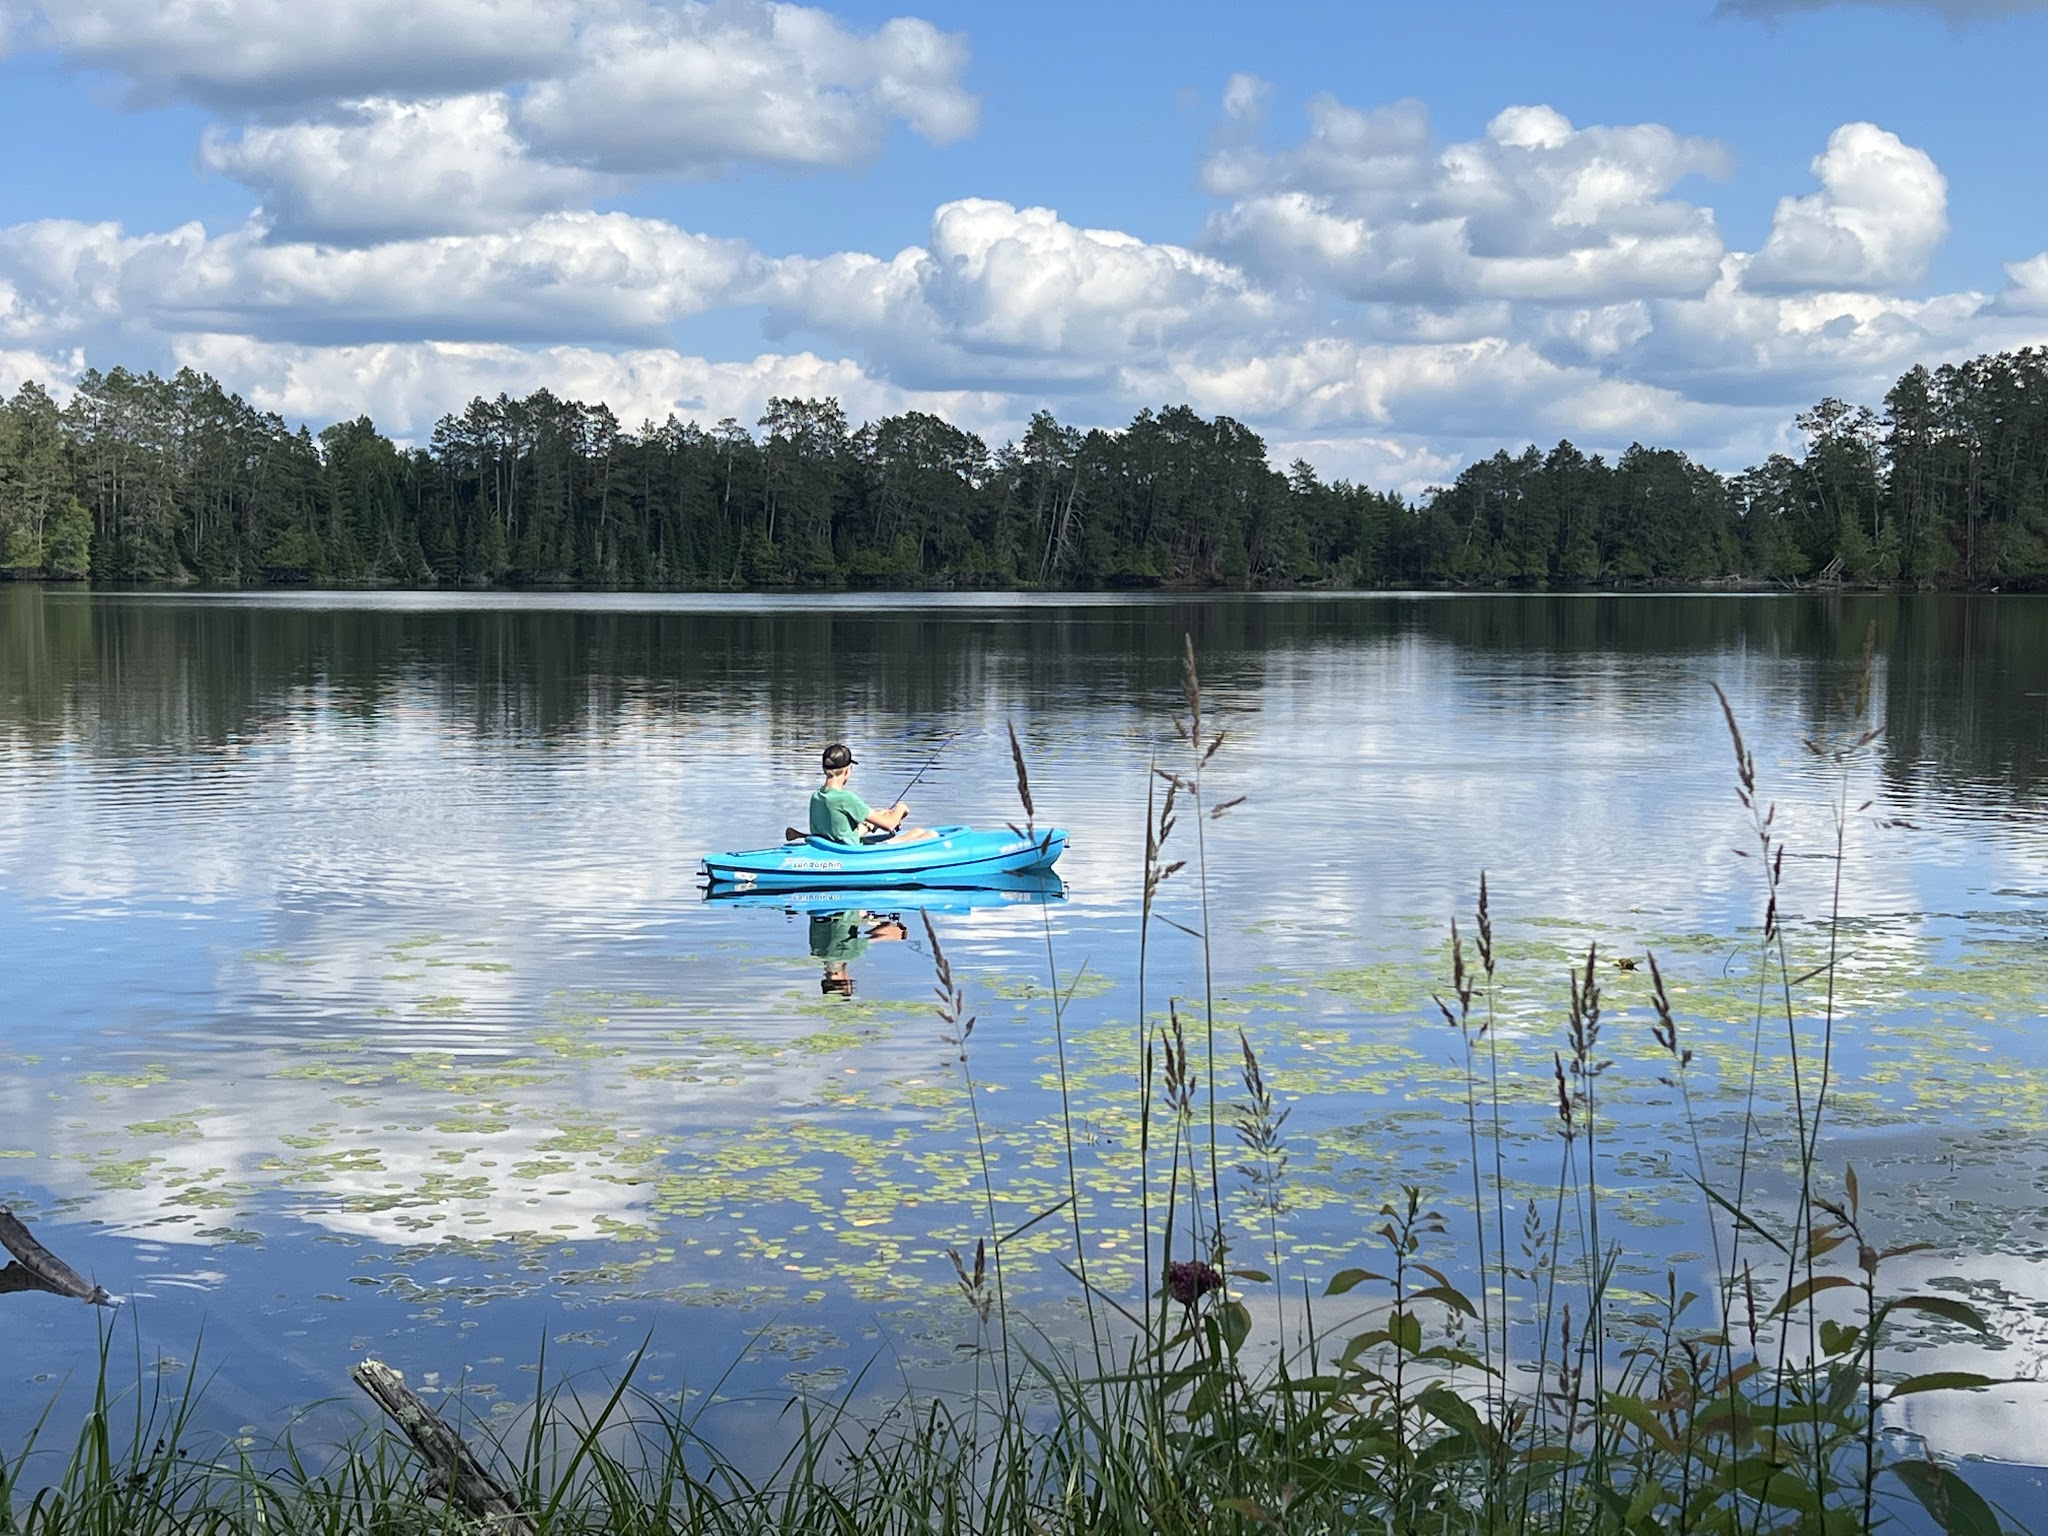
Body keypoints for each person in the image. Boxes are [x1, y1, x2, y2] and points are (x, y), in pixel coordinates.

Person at [808, 743, 931, 844]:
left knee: (917, 831)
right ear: (847, 770)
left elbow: (839, 833)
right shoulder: (846, 799)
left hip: (836, 847)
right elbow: (889, 825)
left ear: (824, 769)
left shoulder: (817, 796)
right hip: (855, 853)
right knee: (930, 834)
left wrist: (870, 824)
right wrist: (901, 808)